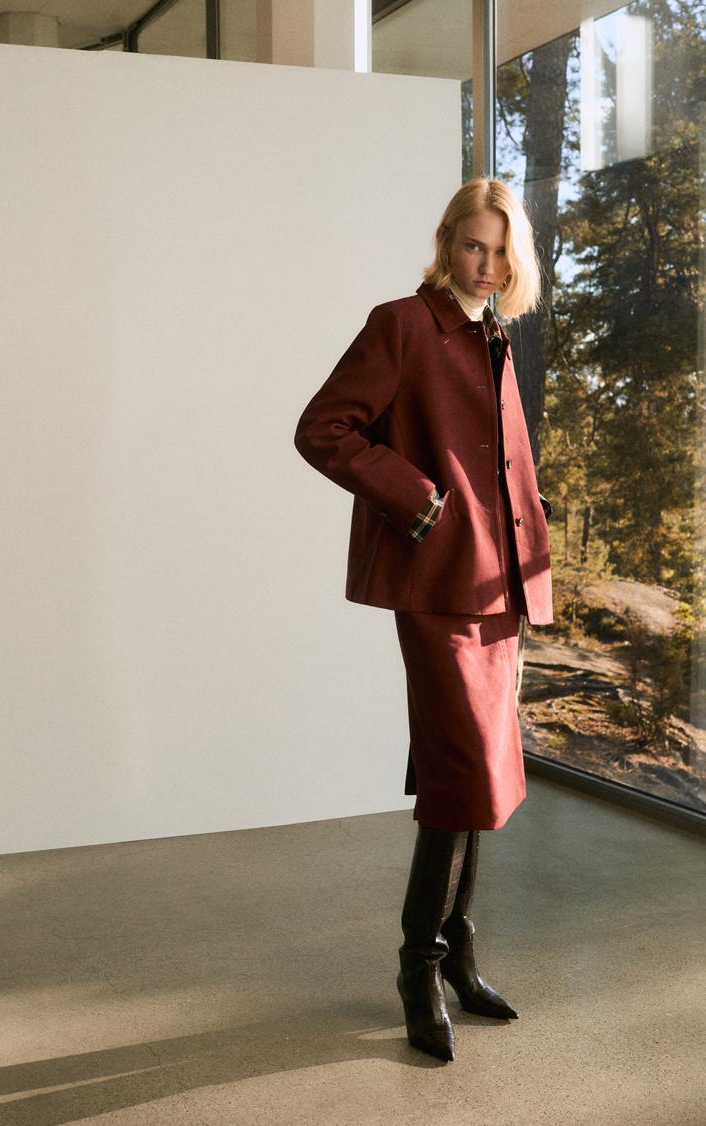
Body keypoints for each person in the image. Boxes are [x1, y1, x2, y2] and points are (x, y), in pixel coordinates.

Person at [293, 177, 553, 1062]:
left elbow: (510, 468)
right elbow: (323, 428)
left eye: (501, 250)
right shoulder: (402, 324)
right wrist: (416, 497)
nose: (486, 263)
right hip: (440, 585)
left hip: (496, 590)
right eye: (473, 245)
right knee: (458, 776)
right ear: (447, 243)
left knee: (478, 777)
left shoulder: (494, 336)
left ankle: (457, 954)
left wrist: (531, 569)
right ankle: (419, 968)